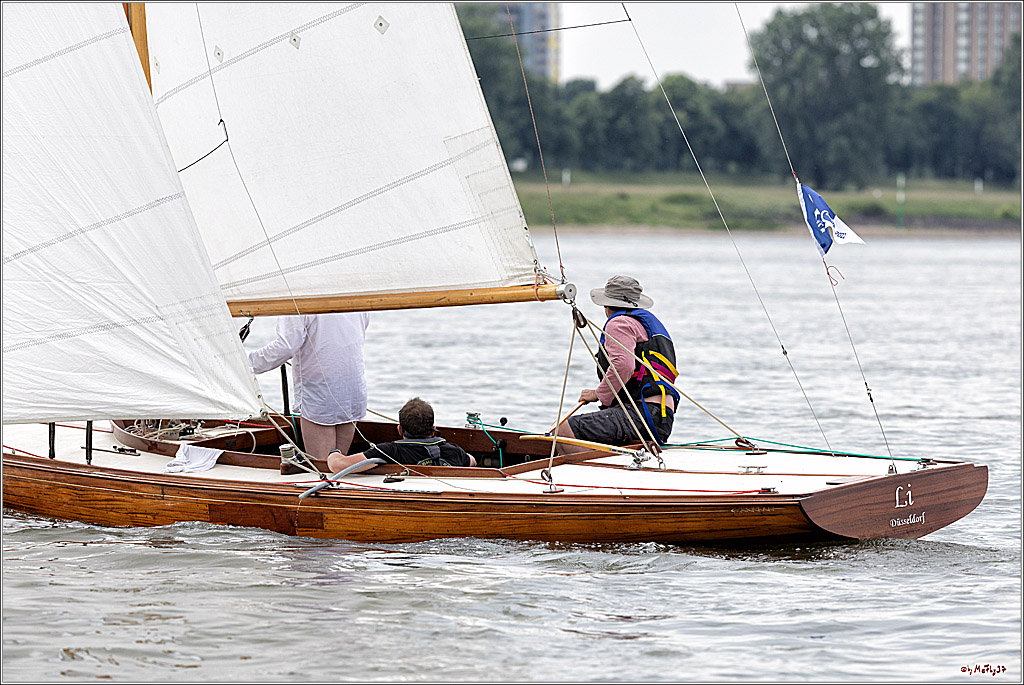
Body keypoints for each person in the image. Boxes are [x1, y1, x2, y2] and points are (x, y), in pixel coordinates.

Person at [557, 275, 679, 452]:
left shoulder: (619, 323)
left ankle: (591, 469)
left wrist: (598, 394)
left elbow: (623, 365)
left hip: (642, 414)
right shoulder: (643, 325)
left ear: (606, 305)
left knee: (561, 431)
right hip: (661, 417)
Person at [248, 312, 369, 459]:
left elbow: (285, 347)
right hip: (352, 386)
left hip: (319, 392)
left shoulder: (295, 300)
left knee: (322, 466)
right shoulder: (353, 298)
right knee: (338, 464)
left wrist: (245, 364)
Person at [327, 397, 476, 472]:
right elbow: (472, 462)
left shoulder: (390, 451)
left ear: (399, 430)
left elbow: (337, 466)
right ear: (433, 430)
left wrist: (334, 453)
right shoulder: (453, 451)